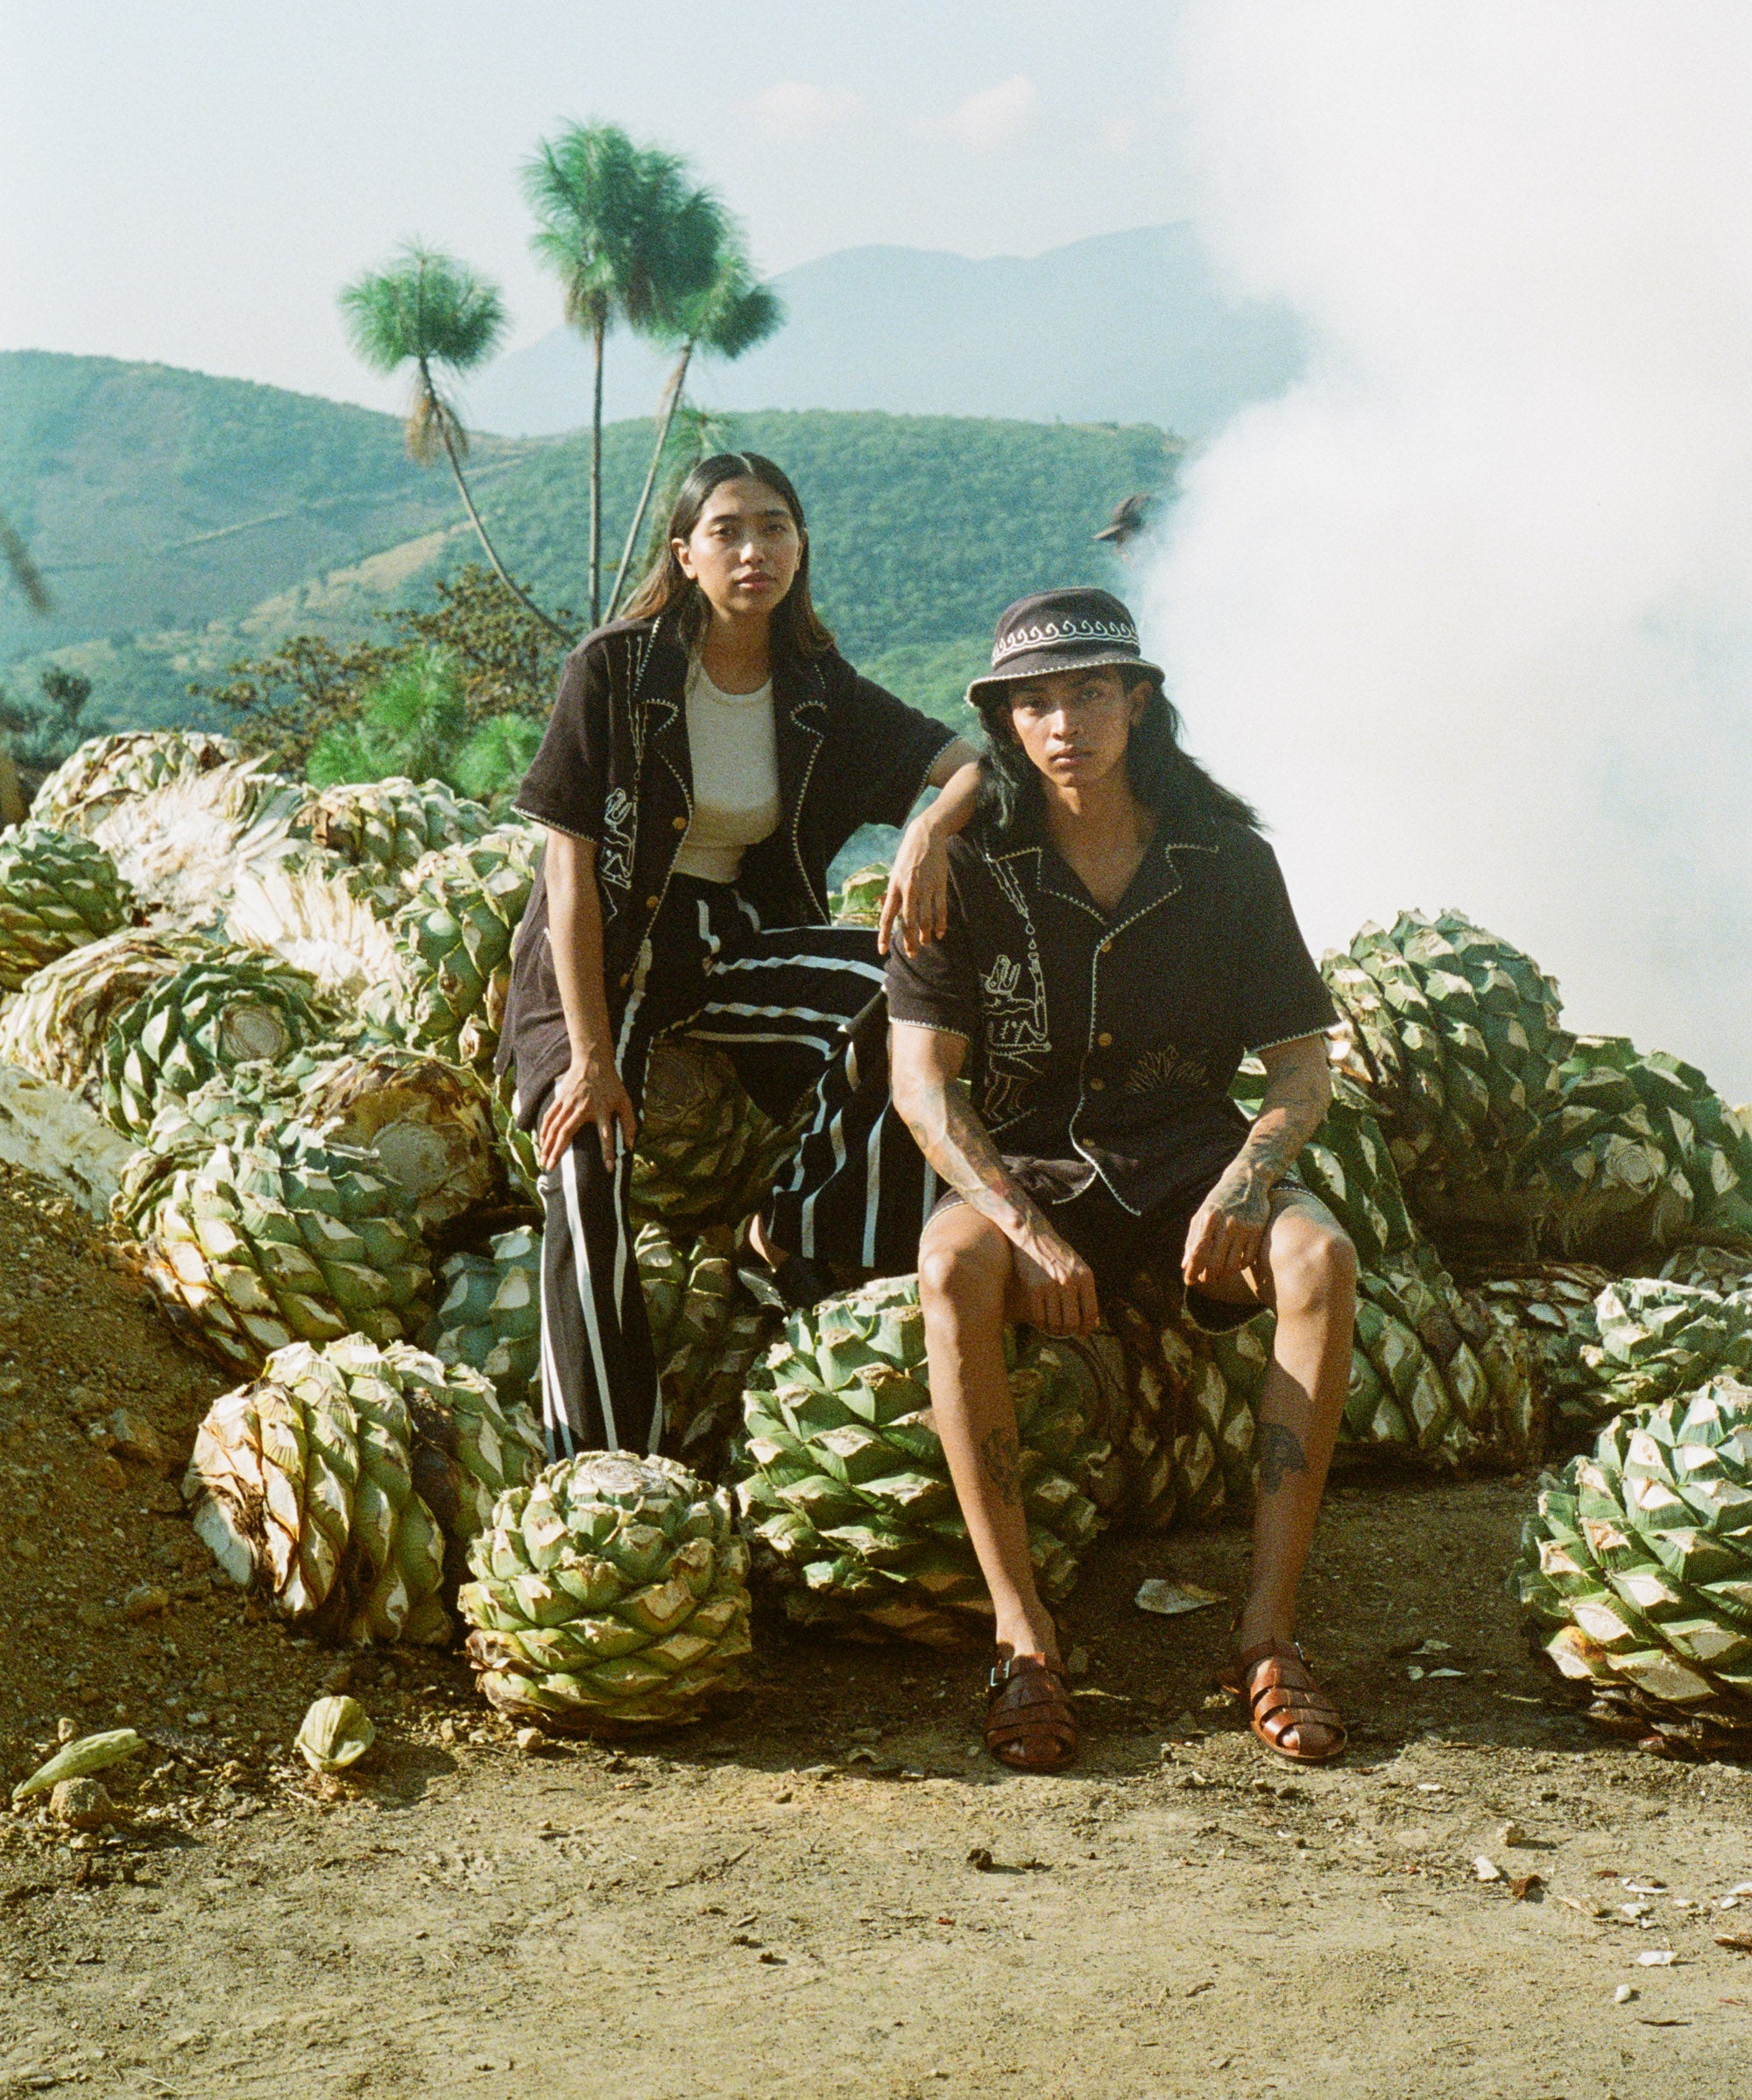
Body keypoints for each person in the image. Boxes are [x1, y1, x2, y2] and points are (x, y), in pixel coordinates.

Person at [887, 587, 1357, 1772]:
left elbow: (1303, 1070)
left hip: (1194, 1155)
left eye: (1089, 691)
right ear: (1004, 724)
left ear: (1137, 703)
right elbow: (924, 1087)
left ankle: (1266, 1634)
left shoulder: (1227, 865)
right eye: (1033, 701)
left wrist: (1249, 1182)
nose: (1063, 723)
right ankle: (1023, 1638)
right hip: (1033, 1161)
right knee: (950, 1264)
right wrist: (1021, 1226)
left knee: (1323, 1258)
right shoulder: (966, 870)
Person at [498, 449, 981, 1460]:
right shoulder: (615, 671)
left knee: (900, 1005)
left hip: (733, 939)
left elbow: (976, 765)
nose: (752, 549)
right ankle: (600, 1457)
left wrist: (929, 830)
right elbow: (569, 873)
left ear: (800, 549)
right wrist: (589, 1056)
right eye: (726, 530)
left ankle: (799, 1236)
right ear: (684, 553)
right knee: (586, 1168)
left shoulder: (813, 686)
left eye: (774, 528)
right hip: (606, 947)